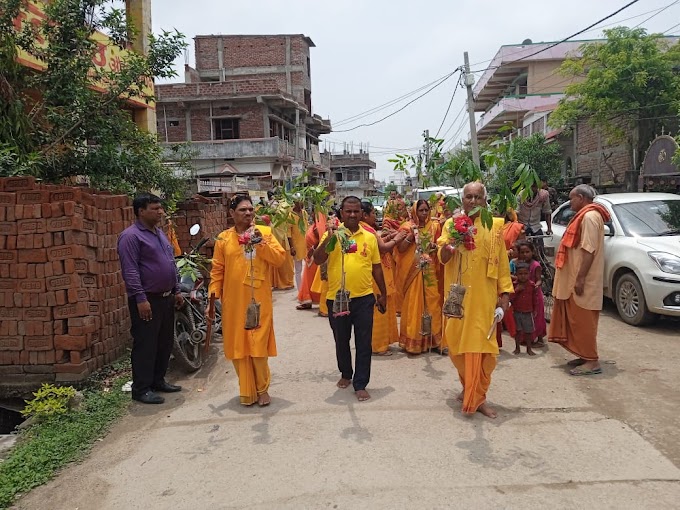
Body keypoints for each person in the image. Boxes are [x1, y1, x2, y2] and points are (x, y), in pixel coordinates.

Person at [438, 182, 513, 418]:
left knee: (484, 351)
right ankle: (468, 387)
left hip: (484, 299)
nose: (472, 201)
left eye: (477, 197)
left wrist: (505, 296)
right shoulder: (451, 224)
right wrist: (454, 241)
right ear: (462, 200)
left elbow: (502, 263)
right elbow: (442, 257)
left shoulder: (494, 226)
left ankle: (477, 397)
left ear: (484, 200)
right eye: (468, 197)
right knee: (457, 349)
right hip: (458, 299)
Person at [207, 196, 286, 406]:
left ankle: (262, 389)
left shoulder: (265, 233)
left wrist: (260, 243)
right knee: (238, 347)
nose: (248, 213)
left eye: (251, 209)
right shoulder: (223, 239)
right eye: (243, 210)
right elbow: (217, 270)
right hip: (233, 302)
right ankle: (247, 390)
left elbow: (279, 259)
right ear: (232, 213)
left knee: (258, 344)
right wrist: (212, 296)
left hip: (259, 300)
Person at [313, 196, 387, 402]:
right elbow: (318, 259)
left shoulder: (370, 237)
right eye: (348, 211)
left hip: (364, 298)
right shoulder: (333, 235)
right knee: (341, 340)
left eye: (356, 211)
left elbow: (376, 267)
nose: (353, 215)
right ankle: (346, 373)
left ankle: (360, 383)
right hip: (336, 298)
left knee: (364, 342)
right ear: (341, 213)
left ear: (362, 214)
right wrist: (328, 237)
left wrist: (383, 293)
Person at [118, 193, 184, 405]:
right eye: (155, 208)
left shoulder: (159, 234)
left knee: (164, 342)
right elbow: (130, 270)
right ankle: (141, 388)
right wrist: (140, 298)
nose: (160, 212)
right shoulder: (131, 237)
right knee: (146, 344)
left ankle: (158, 380)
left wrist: (177, 289)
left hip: (166, 298)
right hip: (147, 300)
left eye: (160, 208)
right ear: (141, 211)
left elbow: (171, 262)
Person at [549, 184, 609, 376]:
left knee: (583, 321)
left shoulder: (590, 217)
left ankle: (592, 361)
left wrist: (581, 278)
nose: (569, 202)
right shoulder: (585, 215)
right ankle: (585, 356)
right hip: (576, 278)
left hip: (584, 280)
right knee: (576, 320)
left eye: (572, 198)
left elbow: (588, 250)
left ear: (582, 198)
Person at [396, 200, 443, 354]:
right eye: (421, 210)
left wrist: (435, 248)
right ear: (415, 211)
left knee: (432, 302)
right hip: (412, 271)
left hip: (429, 270)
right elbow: (401, 250)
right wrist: (411, 236)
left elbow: (438, 245)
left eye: (426, 210)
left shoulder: (434, 226)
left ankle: (434, 341)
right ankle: (412, 342)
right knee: (413, 305)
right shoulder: (406, 226)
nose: (424, 213)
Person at [360, 201, 406, 356]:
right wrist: (398, 238)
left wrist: (390, 236)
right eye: (373, 213)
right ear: (365, 215)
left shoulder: (367, 229)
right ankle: (378, 345)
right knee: (378, 308)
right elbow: (382, 248)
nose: (375, 215)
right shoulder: (368, 230)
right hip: (375, 274)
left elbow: (378, 244)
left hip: (376, 271)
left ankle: (383, 342)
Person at [517, 241, 547, 346]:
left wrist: (536, 285)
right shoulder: (520, 264)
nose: (525, 254)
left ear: (532, 252)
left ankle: (539, 338)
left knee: (537, 317)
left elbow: (539, 279)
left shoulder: (535, 265)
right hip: (525, 294)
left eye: (527, 252)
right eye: (522, 252)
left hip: (535, 294)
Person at [511, 262, 540, 356]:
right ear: (516, 274)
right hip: (516, 311)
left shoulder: (532, 285)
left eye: (525, 273)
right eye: (520, 274)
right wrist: (516, 290)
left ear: (529, 274)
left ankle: (529, 349)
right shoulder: (514, 285)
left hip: (528, 311)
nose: (523, 276)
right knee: (517, 331)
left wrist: (535, 309)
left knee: (528, 331)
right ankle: (517, 348)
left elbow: (534, 299)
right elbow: (510, 298)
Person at [517, 182, 552, 247]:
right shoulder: (521, 195)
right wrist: (517, 228)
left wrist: (549, 228)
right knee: (520, 248)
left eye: (535, 187)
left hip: (536, 226)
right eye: (531, 186)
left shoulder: (543, 195)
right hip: (522, 225)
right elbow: (516, 213)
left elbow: (547, 212)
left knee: (540, 248)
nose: (533, 189)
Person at [290, 200, 308, 292]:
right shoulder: (290, 215)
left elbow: (307, 227)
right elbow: (288, 233)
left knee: (308, 266)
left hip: (306, 244)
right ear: (295, 203)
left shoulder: (304, 213)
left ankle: (306, 289)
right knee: (298, 269)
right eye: (300, 202)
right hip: (296, 245)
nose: (302, 204)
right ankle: (300, 291)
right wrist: (291, 247)